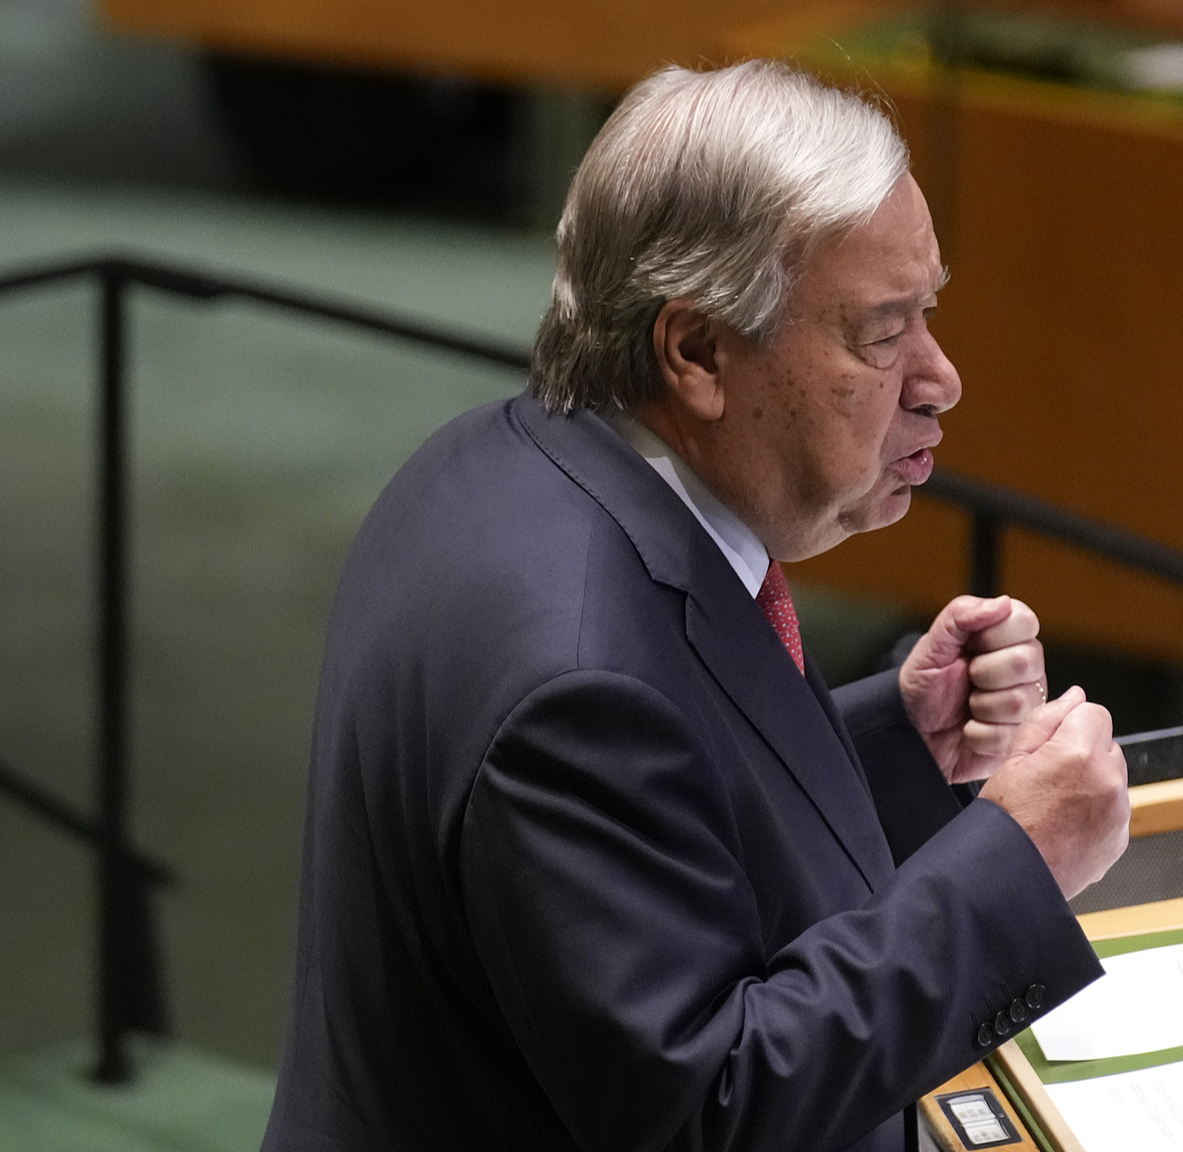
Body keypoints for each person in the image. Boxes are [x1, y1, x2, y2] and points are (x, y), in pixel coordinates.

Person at [261, 60, 1131, 1152]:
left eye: (929, 312)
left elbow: (666, 835)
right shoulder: (579, 683)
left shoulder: (502, 462)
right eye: (879, 332)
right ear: (698, 351)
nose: (938, 376)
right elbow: (706, 1113)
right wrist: (1020, 863)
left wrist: (896, 746)